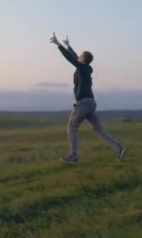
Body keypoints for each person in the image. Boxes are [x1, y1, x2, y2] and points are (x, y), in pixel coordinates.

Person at [50, 32, 126, 165]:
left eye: (80, 55)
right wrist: (69, 46)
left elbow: (72, 59)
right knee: (99, 129)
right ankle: (119, 148)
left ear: (83, 59)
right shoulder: (84, 68)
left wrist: (59, 45)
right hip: (90, 103)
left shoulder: (82, 67)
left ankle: (74, 157)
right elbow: (75, 58)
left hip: (83, 103)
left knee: (72, 127)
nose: (78, 56)